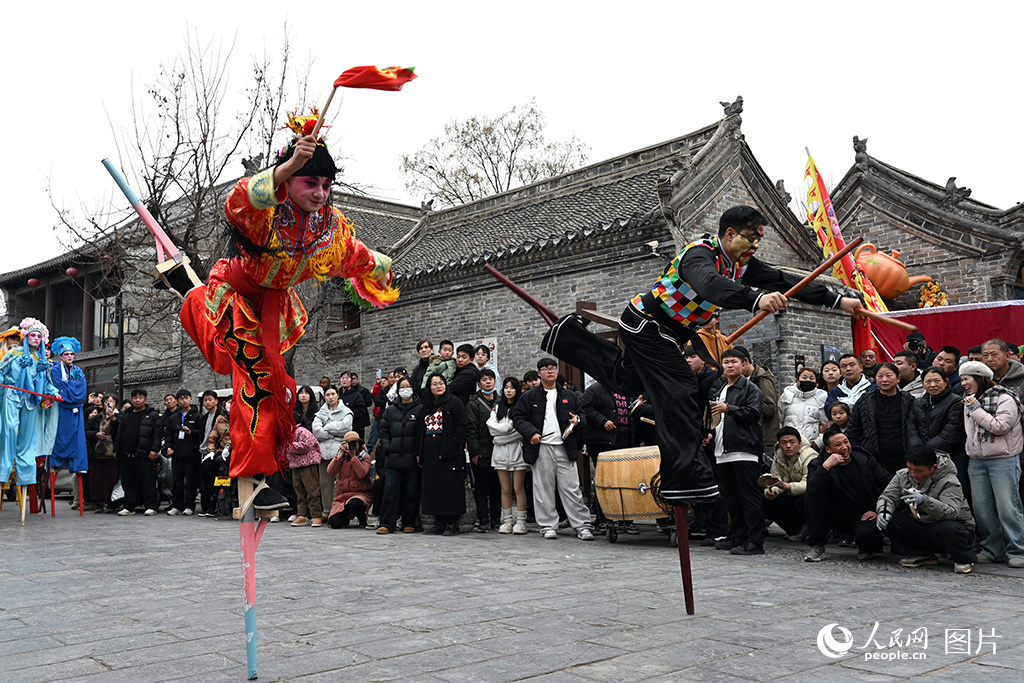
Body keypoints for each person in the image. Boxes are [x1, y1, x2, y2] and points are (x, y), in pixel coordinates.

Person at [542, 206, 861, 509]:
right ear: (729, 233)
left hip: (669, 334)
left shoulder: (740, 265)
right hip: (647, 325)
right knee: (680, 388)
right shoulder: (699, 255)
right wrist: (755, 298)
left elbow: (783, 281)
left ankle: (569, 338)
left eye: (758, 239)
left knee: (627, 384)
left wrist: (835, 301)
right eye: (750, 237)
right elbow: (711, 287)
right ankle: (682, 476)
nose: (754, 245)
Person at [178, 118, 396, 513]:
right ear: (291, 178)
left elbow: (351, 254)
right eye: (309, 182)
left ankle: (192, 301)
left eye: (325, 185)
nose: (319, 192)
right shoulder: (270, 214)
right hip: (237, 291)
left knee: (241, 366)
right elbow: (238, 201)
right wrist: (286, 166)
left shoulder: (327, 226)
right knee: (256, 376)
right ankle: (253, 477)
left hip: (274, 304)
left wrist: (380, 264)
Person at [513, 358, 594, 541]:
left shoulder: (569, 395)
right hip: (541, 447)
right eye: (545, 369)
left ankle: (582, 526)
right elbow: (518, 418)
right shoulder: (529, 396)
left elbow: (582, 415)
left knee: (572, 489)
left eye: (552, 368)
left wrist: (577, 421)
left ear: (556, 372)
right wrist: (531, 433)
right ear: (539, 373)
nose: (550, 371)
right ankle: (548, 526)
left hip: (565, 446)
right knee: (543, 488)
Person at [960, 360, 1024, 567]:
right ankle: (992, 549)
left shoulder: (1005, 398)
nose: (963, 383)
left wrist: (976, 409)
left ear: (979, 377)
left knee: (1008, 507)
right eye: (961, 379)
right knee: (982, 509)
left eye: (966, 378)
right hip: (977, 460)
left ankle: (1018, 550)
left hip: (1003, 459)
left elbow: (1000, 427)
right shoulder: (971, 400)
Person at [875, 445, 977, 573]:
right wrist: (884, 511)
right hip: (921, 524)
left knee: (947, 528)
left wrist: (924, 501)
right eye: (910, 469)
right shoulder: (902, 475)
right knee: (890, 518)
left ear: (933, 468)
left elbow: (951, 512)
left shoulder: (949, 481)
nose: (913, 474)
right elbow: (888, 496)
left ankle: (964, 558)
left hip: (951, 528)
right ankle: (922, 554)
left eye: (918, 471)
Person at [707, 349, 765, 555]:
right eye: (726, 362)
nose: (729, 365)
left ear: (744, 364)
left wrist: (729, 408)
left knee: (749, 498)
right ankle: (736, 537)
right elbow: (718, 420)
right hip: (723, 450)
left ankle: (755, 542)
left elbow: (754, 414)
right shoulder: (721, 389)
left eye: (734, 362)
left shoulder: (750, 389)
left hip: (743, 450)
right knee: (731, 498)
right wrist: (711, 433)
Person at [803, 430, 890, 562]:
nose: (844, 447)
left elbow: (887, 483)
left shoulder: (863, 458)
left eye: (846, 442)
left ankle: (862, 544)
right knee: (811, 497)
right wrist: (826, 467)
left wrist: (876, 509)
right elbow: (812, 490)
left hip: (863, 513)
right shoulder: (818, 463)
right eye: (838, 445)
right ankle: (817, 545)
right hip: (834, 513)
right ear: (828, 449)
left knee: (868, 537)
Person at [0, 318, 59, 493]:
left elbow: (48, 384)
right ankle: (3, 470)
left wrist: (54, 392)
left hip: (31, 401)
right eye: (32, 335)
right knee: (10, 429)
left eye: (39, 336)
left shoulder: (41, 361)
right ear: (26, 336)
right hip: (12, 396)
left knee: (28, 439)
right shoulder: (14, 354)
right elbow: (1, 372)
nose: (36, 338)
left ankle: (25, 476)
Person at [907, 367, 969, 503]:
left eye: (937, 381)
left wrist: (924, 452)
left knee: (953, 495)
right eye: (928, 381)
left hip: (951, 457)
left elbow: (950, 434)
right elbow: (911, 429)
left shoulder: (956, 402)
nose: (933, 385)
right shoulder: (917, 403)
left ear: (946, 382)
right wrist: (918, 451)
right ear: (922, 383)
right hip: (923, 459)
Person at [420, 375, 468, 535]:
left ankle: (453, 524)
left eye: (441, 383)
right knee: (434, 486)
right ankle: (439, 523)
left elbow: (462, 425)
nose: (439, 386)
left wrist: (453, 445)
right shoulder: (426, 405)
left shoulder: (454, 402)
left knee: (450, 487)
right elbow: (421, 430)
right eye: (434, 384)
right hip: (430, 452)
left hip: (450, 452)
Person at [376, 376, 424, 534]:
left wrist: (418, 452)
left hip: (412, 458)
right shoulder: (390, 410)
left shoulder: (420, 409)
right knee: (390, 490)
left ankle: (408, 522)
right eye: (402, 387)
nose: (405, 390)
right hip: (393, 458)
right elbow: (383, 431)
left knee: (411, 491)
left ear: (413, 388)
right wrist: (388, 448)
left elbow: (421, 434)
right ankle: (387, 522)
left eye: (408, 386)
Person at [847, 363, 912, 475]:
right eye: (880, 376)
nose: (884, 379)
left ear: (898, 378)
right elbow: (853, 429)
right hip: (873, 458)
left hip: (903, 458)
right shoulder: (865, 400)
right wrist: (858, 453)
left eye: (888, 375)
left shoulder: (908, 400)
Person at [488, 377, 528, 534]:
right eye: (506, 387)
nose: (509, 390)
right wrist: (507, 429)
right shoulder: (497, 408)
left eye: (512, 387)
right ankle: (507, 521)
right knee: (505, 488)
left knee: (518, 488)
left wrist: (501, 434)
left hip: (517, 451)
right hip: (499, 452)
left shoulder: (521, 408)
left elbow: (520, 432)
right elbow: (492, 430)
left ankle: (521, 521)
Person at [48, 337, 89, 484]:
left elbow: (81, 392)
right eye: (66, 354)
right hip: (61, 410)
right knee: (59, 436)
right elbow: (60, 391)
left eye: (72, 354)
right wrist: (71, 386)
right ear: (61, 355)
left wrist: (68, 386)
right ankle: (56, 463)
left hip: (76, 410)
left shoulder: (78, 370)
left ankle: (77, 465)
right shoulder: (55, 370)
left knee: (76, 438)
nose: (70, 356)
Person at [763, 426, 815, 541]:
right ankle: (795, 529)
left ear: (799, 443)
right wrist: (772, 491)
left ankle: (812, 529)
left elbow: (809, 484)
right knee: (766, 501)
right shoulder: (779, 457)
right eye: (784, 442)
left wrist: (786, 486)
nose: (788, 446)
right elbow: (776, 478)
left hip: (807, 494)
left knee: (807, 499)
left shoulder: (810, 456)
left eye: (792, 442)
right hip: (790, 491)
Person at [114, 389, 161, 516]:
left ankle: (150, 505)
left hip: (143, 454)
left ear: (145, 400)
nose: (137, 400)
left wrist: (154, 449)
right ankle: (129, 506)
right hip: (126, 454)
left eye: (140, 398)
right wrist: (117, 450)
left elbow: (157, 434)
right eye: (135, 398)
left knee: (146, 480)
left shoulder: (151, 415)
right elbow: (119, 434)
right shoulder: (126, 415)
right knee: (127, 481)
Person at [466, 369, 501, 532]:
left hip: (499, 450)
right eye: (484, 380)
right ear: (479, 383)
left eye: (491, 379)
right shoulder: (473, 403)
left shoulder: (501, 402)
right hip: (481, 452)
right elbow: (470, 429)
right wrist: (474, 451)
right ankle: (483, 520)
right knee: (481, 488)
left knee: (497, 487)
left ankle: (496, 519)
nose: (488, 382)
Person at [312, 386, 354, 519]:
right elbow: (316, 431)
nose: (330, 397)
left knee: (341, 483)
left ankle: (342, 510)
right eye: (328, 394)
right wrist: (334, 432)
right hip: (324, 453)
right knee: (325, 483)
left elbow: (346, 427)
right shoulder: (320, 413)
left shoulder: (346, 411)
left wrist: (327, 427)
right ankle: (327, 511)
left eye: (333, 394)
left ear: (338, 395)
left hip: (340, 452)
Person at [733, 345, 778, 461]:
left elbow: (770, 408)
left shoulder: (762, 378)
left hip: (763, 438)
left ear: (746, 361)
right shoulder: (740, 381)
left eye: (735, 363)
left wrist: (746, 406)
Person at [164, 389, 202, 516]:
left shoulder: (197, 416)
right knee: (177, 481)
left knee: (190, 481)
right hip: (177, 453)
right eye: (181, 398)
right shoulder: (174, 417)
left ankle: (190, 505)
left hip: (191, 454)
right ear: (177, 401)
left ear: (191, 399)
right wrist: (168, 446)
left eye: (186, 398)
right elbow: (168, 434)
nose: (184, 401)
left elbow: (201, 434)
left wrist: (191, 432)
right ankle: (176, 505)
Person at [326, 431, 373, 528]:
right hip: (342, 497)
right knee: (334, 523)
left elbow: (362, 474)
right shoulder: (342, 457)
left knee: (354, 503)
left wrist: (353, 457)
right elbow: (330, 471)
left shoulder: (364, 457)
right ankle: (346, 516)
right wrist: (340, 455)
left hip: (360, 495)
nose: (352, 445)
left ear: (359, 444)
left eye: (354, 442)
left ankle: (362, 520)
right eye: (349, 443)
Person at [85, 395, 120, 512]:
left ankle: (110, 501)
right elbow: (87, 430)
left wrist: (113, 418)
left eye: (111, 402)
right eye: (107, 402)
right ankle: (98, 501)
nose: (109, 405)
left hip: (111, 452)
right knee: (96, 478)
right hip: (97, 451)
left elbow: (120, 431)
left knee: (111, 478)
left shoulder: (119, 417)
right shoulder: (96, 418)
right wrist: (96, 434)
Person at [196, 390, 227, 517]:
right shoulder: (204, 417)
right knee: (204, 480)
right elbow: (207, 436)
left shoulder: (221, 416)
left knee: (213, 475)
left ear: (216, 401)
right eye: (205, 400)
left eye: (210, 399)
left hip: (219, 452)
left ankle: (214, 504)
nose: (207, 402)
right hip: (205, 451)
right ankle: (206, 506)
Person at [285, 423, 323, 527]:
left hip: (307, 463)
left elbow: (306, 445)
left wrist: (290, 445)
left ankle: (316, 515)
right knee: (299, 491)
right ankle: (302, 515)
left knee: (312, 490)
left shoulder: (301, 431)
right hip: (295, 464)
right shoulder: (287, 433)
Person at [778, 366, 828, 444]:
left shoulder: (821, 398)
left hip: (811, 445)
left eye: (811, 378)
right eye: (804, 378)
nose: (808, 380)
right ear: (797, 380)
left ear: (816, 382)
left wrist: (817, 444)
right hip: (789, 444)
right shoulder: (787, 396)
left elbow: (825, 425)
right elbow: (779, 420)